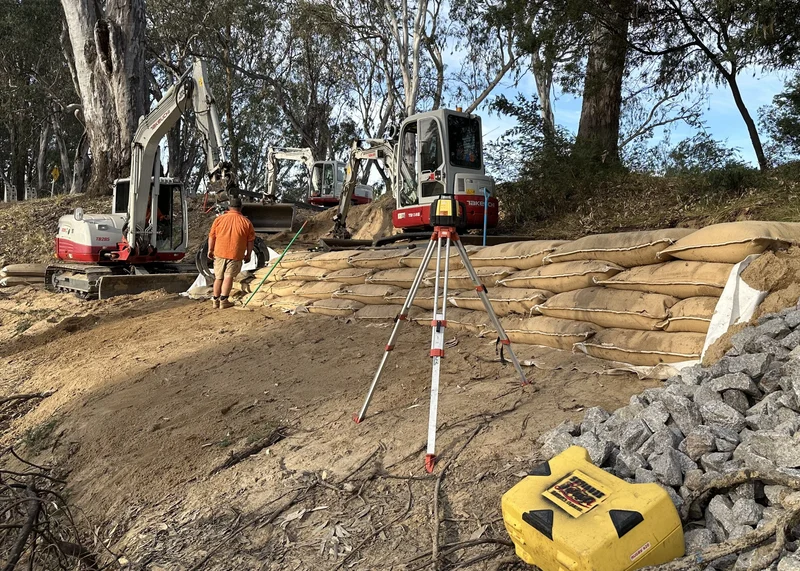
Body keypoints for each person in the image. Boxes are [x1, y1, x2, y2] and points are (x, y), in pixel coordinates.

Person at [207, 197, 255, 309]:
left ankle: (215, 300)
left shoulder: (219, 220)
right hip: (235, 254)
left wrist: (210, 249)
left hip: (219, 252)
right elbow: (250, 241)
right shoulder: (246, 222)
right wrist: (248, 254)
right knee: (228, 277)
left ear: (229, 207)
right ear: (241, 208)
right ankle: (224, 300)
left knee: (218, 277)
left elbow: (212, 236)